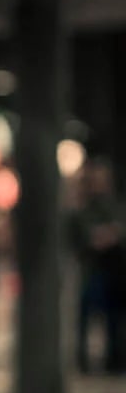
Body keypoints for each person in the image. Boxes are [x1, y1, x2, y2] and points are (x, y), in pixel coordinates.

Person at [67, 155, 126, 373]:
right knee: (85, 317)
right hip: (89, 271)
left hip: (113, 272)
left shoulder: (114, 205)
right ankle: (84, 362)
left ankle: (114, 359)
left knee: (112, 319)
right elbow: (79, 238)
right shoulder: (81, 208)